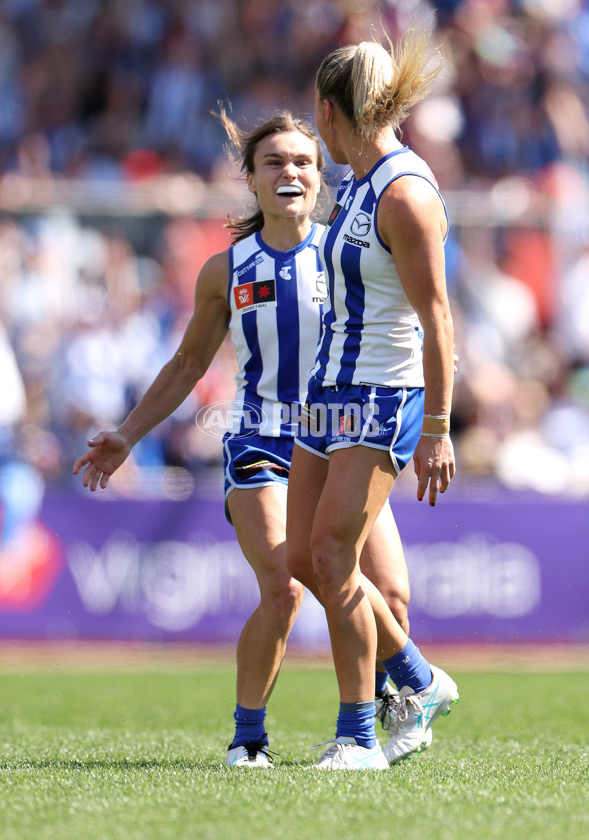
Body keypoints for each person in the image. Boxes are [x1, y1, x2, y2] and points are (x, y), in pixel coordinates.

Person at [72, 108, 412, 767]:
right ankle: (251, 737)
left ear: (320, 178)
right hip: (259, 437)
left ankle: (373, 726)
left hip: (343, 440)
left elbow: (400, 333)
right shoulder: (226, 270)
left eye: (304, 161)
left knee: (392, 594)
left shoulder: (353, 254)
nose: (291, 171)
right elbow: (187, 365)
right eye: (275, 162)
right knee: (287, 583)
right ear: (252, 181)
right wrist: (129, 435)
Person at [285, 30, 459, 770]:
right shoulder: (358, 180)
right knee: (303, 557)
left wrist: (440, 428)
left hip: (380, 396)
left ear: (327, 112)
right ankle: (418, 679)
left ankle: (358, 735)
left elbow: (439, 319)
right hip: (328, 393)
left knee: (331, 554)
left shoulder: (404, 193)